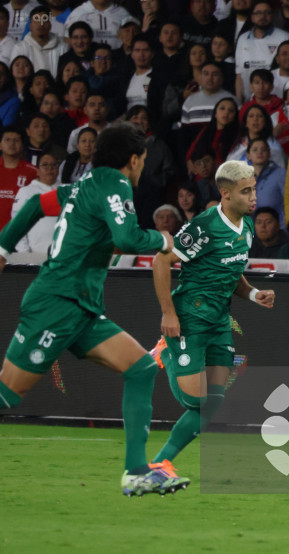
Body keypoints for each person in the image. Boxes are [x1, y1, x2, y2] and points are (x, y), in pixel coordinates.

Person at [0, 125, 189, 496]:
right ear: (133, 160)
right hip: (55, 303)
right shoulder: (114, 184)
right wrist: (165, 240)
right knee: (7, 394)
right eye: (143, 161)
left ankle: (136, 471)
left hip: (82, 307)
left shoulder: (86, 185)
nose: (141, 169)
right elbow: (127, 238)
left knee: (141, 368)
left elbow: (38, 206)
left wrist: (3, 249)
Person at [149, 160, 275, 471]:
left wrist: (252, 294)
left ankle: (159, 464)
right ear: (226, 194)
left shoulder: (246, 226)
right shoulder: (205, 226)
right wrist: (168, 314)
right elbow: (160, 262)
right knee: (196, 402)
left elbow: (231, 272)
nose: (253, 197)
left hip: (219, 322)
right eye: (246, 192)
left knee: (212, 403)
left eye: (254, 189)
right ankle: (165, 349)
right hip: (189, 321)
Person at [9, 152, 60, 254]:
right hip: (35, 254)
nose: (50, 168)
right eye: (45, 165)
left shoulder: (67, 191)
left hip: (62, 255)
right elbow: (17, 225)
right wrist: (25, 253)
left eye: (53, 165)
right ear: (37, 170)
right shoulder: (26, 192)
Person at [0, 126, 38, 230]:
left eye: (16, 140)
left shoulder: (33, 172)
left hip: (18, 233)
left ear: (22, 146)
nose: (12, 143)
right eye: (7, 140)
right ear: (0, 145)